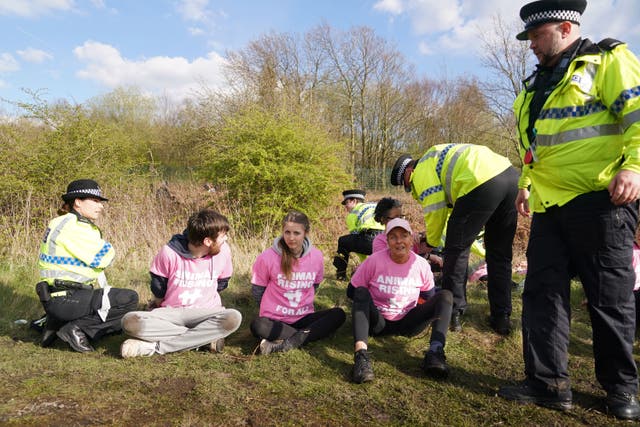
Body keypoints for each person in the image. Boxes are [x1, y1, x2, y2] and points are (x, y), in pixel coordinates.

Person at [497, 0, 640, 420]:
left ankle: (621, 391)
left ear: (564, 27)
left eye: (536, 37)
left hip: (602, 202)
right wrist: (525, 185)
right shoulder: (533, 85)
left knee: (609, 299)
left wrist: (634, 166)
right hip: (549, 204)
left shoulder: (608, 60)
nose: (531, 47)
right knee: (543, 296)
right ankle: (548, 384)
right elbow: (533, 147)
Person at [391, 144, 518, 335]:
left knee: (456, 252)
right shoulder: (438, 157)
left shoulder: (423, 168)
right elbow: (454, 212)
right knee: (499, 254)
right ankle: (501, 317)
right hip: (510, 177)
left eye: (407, 184)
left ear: (409, 171)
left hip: (479, 181)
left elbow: (436, 210)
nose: (410, 189)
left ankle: (453, 313)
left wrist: (431, 243)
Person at [120, 209, 242, 358]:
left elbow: (222, 283)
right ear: (207, 241)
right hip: (171, 313)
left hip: (206, 313)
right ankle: (203, 339)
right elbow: (159, 287)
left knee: (233, 317)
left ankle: (155, 347)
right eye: (223, 236)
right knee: (129, 322)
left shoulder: (224, 251)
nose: (226, 239)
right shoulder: (168, 253)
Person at [35, 179, 139, 353]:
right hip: (68, 297)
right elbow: (104, 258)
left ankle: (56, 323)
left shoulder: (58, 222)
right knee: (129, 299)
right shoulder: (75, 227)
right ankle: (76, 329)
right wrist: (108, 247)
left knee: (117, 321)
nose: (101, 206)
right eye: (96, 201)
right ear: (78, 202)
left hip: (59, 295)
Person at [350, 218, 453, 383]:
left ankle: (435, 353)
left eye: (404, 236)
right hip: (379, 323)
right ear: (387, 241)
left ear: (411, 239)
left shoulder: (421, 265)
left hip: (408, 322)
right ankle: (361, 357)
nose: (399, 241)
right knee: (361, 291)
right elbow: (352, 291)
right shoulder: (374, 260)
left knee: (445, 296)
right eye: (393, 237)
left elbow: (428, 297)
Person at [251, 211, 346, 354]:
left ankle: (289, 341)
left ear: (306, 233)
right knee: (257, 325)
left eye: (296, 233)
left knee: (339, 314)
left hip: (303, 316)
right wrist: (272, 308)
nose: (291, 238)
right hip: (275, 319)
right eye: (287, 232)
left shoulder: (317, 256)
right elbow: (258, 290)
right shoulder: (267, 257)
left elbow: (315, 285)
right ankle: (307, 335)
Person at [332, 189, 384, 280]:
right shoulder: (374, 206)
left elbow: (356, 239)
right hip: (385, 240)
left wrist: (363, 263)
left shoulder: (353, 214)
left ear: (354, 201)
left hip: (369, 239)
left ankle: (341, 275)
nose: (346, 207)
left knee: (343, 241)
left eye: (346, 203)